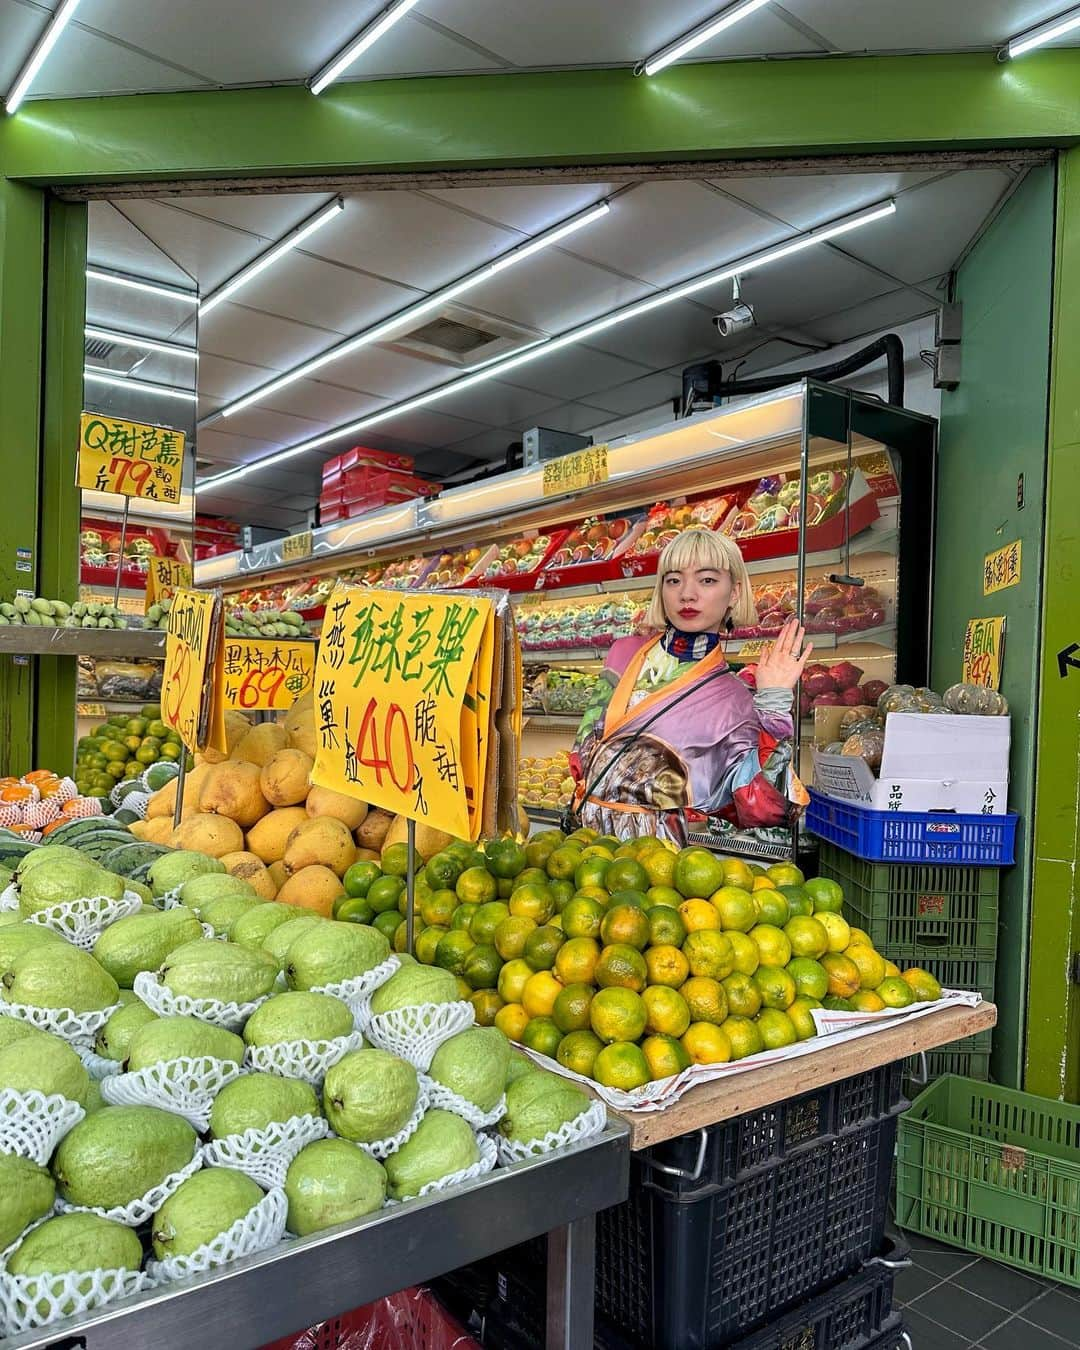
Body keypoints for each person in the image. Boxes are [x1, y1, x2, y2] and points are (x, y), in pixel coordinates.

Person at [568, 526, 811, 847]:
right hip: (580, 844)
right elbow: (584, 753)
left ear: (734, 593)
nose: (687, 593)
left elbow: (764, 807)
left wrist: (774, 702)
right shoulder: (623, 653)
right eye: (674, 580)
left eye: (707, 580)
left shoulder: (736, 700)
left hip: (656, 861)